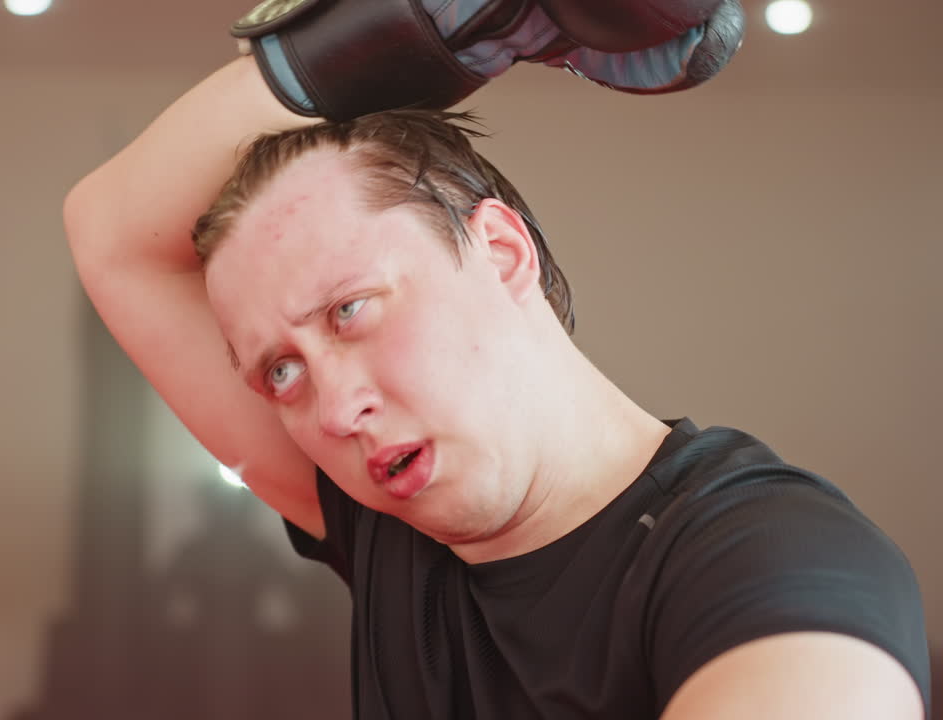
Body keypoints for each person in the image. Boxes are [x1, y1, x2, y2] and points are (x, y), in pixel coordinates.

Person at [64, 2, 931, 717]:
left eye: (351, 310)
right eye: (280, 372)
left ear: (504, 253)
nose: (331, 412)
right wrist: (471, 26)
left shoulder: (771, 562)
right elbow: (108, 232)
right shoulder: (390, 533)